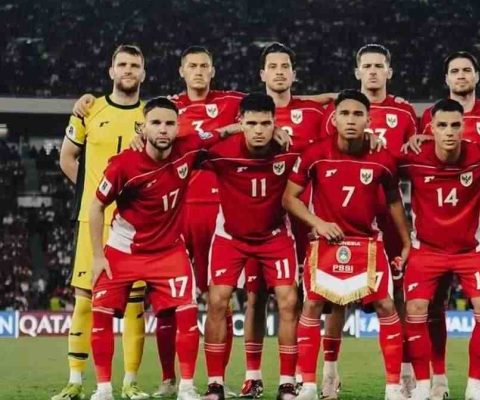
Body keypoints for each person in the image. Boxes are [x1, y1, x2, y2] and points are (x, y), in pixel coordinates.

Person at [87, 97, 241, 400]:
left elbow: (219, 133)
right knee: (101, 314)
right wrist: (96, 256)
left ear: (178, 127)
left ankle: (186, 387)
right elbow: (95, 207)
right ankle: (103, 389)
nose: (163, 129)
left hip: (168, 251)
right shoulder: (123, 165)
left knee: (187, 314)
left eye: (169, 123)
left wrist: (242, 126)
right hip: (124, 250)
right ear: (143, 128)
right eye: (155, 123)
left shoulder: (189, 147)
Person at [283, 90, 411, 400]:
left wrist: (407, 241)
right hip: (326, 242)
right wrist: (318, 223)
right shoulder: (316, 153)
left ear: (369, 120)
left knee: (386, 305)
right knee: (313, 305)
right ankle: (310, 385)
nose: (351, 120)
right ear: (334, 118)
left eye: (357, 114)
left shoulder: (382, 158)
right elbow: (289, 198)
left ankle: (393, 387)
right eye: (344, 113)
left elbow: (394, 201)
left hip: (368, 243)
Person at [319, 44, 418, 398]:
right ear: (357, 71)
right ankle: (330, 373)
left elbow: (412, 157)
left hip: (388, 216)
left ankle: (404, 373)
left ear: (389, 71)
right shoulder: (339, 111)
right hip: (346, 217)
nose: (373, 71)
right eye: (367, 66)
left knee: (398, 294)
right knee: (335, 295)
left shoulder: (405, 112)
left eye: (379, 66)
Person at [412, 51, 480, 399]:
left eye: (467, 70)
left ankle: (478, 384)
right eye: (454, 70)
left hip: (479, 225)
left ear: (477, 76)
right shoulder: (427, 120)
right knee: (429, 307)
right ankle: (433, 382)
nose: (461, 75)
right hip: (432, 233)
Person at [56, 44, 149, 400]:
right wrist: (95, 196)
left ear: (143, 73)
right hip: (91, 221)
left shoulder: (151, 115)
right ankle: (75, 381)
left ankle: (130, 383)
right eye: (122, 64)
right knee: (84, 300)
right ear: (111, 71)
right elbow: (67, 158)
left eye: (134, 65)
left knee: (134, 304)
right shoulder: (89, 109)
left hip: (134, 224)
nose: (128, 70)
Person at [201, 93, 301, 400]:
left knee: (288, 301)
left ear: (275, 123)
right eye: (252, 123)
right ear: (241, 122)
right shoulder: (222, 152)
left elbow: (326, 151)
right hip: (231, 237)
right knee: (217, 301)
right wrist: (227, 131)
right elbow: (187, 144)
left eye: (266, 123)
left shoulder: (289, 152)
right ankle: (215, 384)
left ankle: (287, 383)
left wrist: (371, 140)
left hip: (274, 236)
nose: (259, 130)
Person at [238, 43, 324, 398]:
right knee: (255, 297)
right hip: (260, 219)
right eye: (272, 66)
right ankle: (253, 375)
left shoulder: (313, 112)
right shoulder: (248, 110)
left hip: (303, 219)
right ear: (262, 74)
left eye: (284, 66)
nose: (278, 71)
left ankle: (301, 375)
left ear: (293, 72)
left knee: (302, 297)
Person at [399, 99, 480, 400]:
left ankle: (476, 386)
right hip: (426, 249)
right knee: (416, 309)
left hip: (470, 249)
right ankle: (424, 386)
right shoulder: (412, 158)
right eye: (442, 125)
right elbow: (378, 168)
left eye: (455, 125)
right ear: (431, 128)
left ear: (464, 126)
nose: (449, 131)